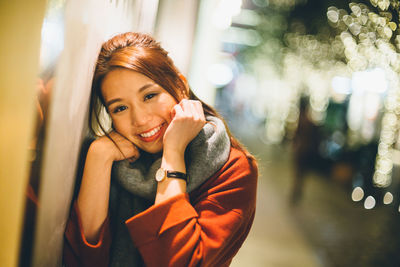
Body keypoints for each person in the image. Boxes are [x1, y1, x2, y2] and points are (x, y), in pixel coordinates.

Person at [63, 32, 258, 267]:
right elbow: (83, 258)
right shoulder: (114, 159)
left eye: (150, 95)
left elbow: (182, 262)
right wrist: (99, 157)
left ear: (180, 86)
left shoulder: (233, 170)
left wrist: (173, 154)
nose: (141, 119)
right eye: (120, 108)